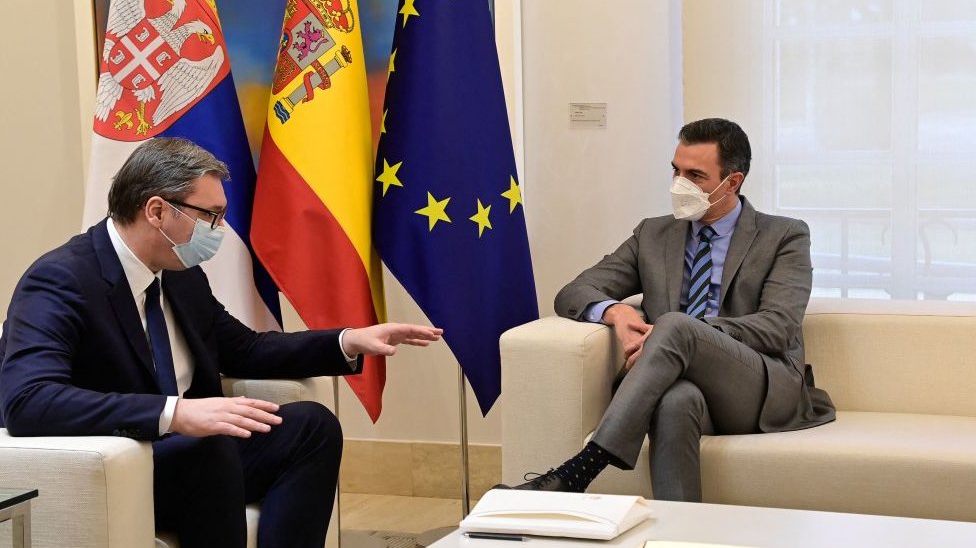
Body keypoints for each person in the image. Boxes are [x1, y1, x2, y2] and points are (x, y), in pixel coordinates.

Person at [0, 137, 442, 548]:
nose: (219, 228)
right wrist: (175, 413)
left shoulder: (179, 274)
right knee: (209, 446)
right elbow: (27, 399)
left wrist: (348, 340)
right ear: (157, 211)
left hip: (198, 459)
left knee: (311, 426)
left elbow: (244, 349)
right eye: (210, 215)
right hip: (126, 464)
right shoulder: (61, 279)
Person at [499, 118, 835, 501]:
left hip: (757, 383)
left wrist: (690, 337)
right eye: (676, 170)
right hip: (680, 385)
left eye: (695, 175)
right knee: (676, 401)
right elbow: (574, 291)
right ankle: (679, 526)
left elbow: (778, 327)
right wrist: (615, 312)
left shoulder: (785, 235)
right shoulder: (653, 234)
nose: (679, 184)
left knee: (675, 325)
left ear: (732, 182)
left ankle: (580, 469)